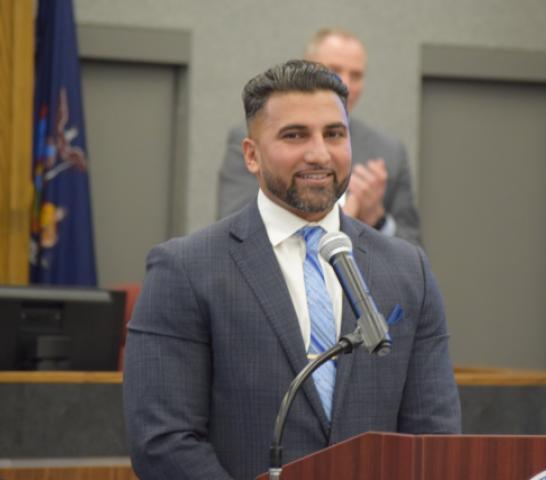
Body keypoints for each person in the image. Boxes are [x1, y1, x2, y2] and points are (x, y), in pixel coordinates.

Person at [124, 60, 460, 480]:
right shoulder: (186, 270)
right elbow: (162, 442)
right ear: (251, 155)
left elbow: (435, 438)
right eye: (294, 135)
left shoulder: (409, 271)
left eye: (334, 134)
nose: (319, 153)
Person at [216, 28, 422, 245]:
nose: (346, 84)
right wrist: (340, 220)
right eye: (334, 70)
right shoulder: (260, 137)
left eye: (356, 75)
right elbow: (234, 225)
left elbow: (413, 252)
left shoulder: (388, 152)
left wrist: (378, 219)